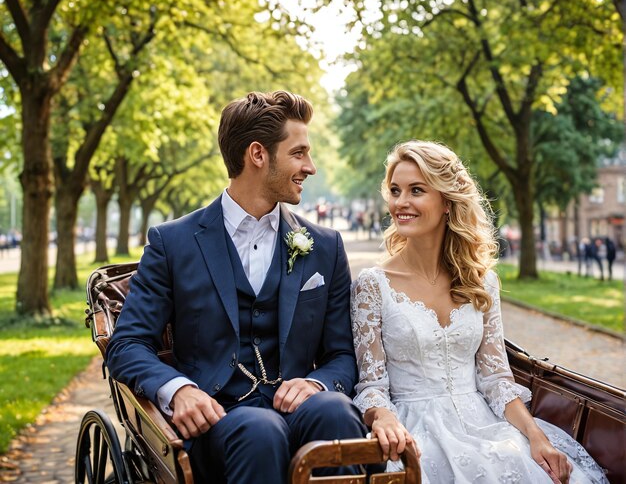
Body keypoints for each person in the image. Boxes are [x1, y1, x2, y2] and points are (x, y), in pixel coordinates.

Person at [106, 90, 366, 484]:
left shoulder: (325, 247)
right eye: (298, 153)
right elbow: (126, 345)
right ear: (258, 155)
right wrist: (177, 391)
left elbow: (342, 354)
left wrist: (317, 382)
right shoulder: (172, 242)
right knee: (260, 431)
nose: (310, 167)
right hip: (220, 421)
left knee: (335, 411)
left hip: (300, 409)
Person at [350, 140, 608, 483]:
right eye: (395, 190)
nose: (401, 203)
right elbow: (372, 385)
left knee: (522, 462)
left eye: (416, 190)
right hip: (413, 429)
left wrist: (535, 436)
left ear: (446, 201)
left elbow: (496, 378)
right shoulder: (373, 285)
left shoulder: (481, 281)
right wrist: (382, 417)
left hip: (485, 422)